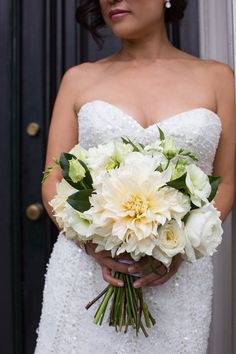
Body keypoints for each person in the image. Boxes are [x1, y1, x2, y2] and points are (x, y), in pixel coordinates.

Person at [34, 0, 236, 353]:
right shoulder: (78, 79)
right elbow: (53, 178)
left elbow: (227, 181)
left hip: (177, 278)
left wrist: (179, 248)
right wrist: (92, 244)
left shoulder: (218, 78)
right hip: (85, 275)